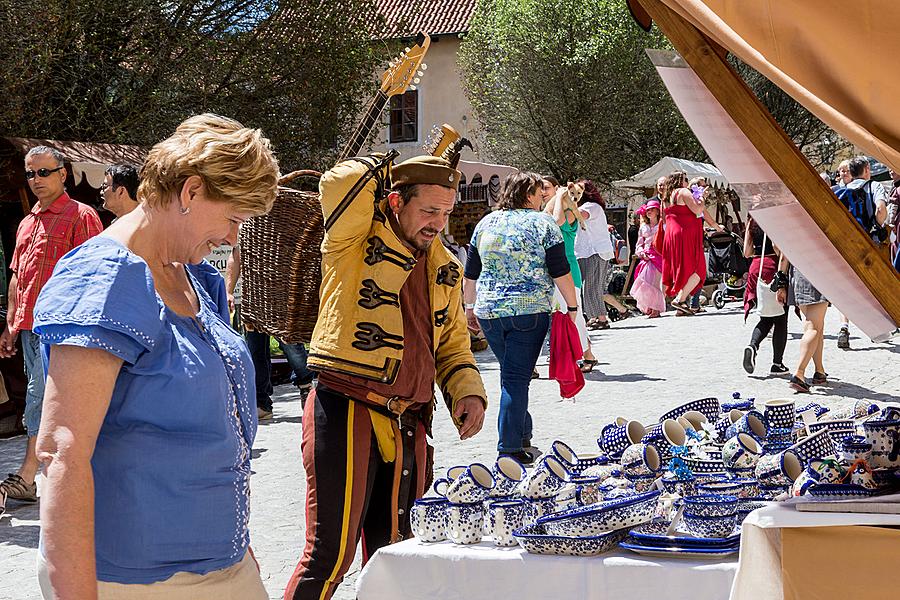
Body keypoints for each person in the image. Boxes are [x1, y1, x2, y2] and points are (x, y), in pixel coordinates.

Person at [32, 114, 279, 598]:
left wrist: (239, 548)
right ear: (190, 192)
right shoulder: (104, 282)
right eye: (233, 217)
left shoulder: (196, 279)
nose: (233, 237)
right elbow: (62, 453)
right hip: (133, 581)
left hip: (223, 568)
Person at [285, 155, 487, 600]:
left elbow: (451, 341)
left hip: (409, 420)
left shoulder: (445, 266)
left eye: (446, 212)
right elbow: (339, 181)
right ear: (395, 201)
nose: (438, 222)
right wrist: (383, 163)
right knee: (328, 556)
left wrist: (466, 391)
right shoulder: (352, 239)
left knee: (399, 556)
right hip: (346, 406)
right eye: (429, 210)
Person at [0, 146, 102, 504]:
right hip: (30, 327)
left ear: (64, 174)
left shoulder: (81, 215)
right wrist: (11, 324)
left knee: (41, 396)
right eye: (31, 173)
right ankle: (47, 474)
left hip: (63, 327)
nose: (36, 180)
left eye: (44, 172)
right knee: (40, 395)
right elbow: (17, 277)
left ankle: (29, 475)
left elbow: (95, 275)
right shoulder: (28, 221)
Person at [464, 171, 578, 462]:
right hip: (529, 311)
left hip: (489, 312)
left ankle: (523, 430)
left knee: (512, 374)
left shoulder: (486, 223)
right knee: (516, 379)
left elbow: (471, 272)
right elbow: (559, 268)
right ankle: (510, 447)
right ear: (528, 194)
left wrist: (468, 307)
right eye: (540, 194)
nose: (543, 199)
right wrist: (572, 306)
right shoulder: (543, 224)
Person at [225, 245, 316, 419]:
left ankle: (305, 385)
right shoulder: (247, 222)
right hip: (253, 298)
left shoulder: (281, 224)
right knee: (255, 351)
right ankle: (261, 402)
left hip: (282, 297)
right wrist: (228, 291)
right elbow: (236, 255)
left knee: (291, 346)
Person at [833, 156, 889, 349]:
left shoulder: (839, 190)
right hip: (868, 241)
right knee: (872, 284)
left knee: (847, 287)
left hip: (845, 244)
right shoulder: (873, 186)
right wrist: (878, 226)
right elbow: (881, 209)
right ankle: (878, 329)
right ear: (866, 169)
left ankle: (843, 326)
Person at [542, 181, 597, 374]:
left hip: (567, 271)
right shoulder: (550, 210)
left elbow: (557, 220)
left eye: (546, 188)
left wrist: (560, 195)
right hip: (555, 271)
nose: (542, 191)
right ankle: (587, 355)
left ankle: (581, 356)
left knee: (572, 316)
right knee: (568, 316)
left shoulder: (569, 212)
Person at [658, 171, 722, 315]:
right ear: (680, 180)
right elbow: (698, 209)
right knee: (698, 269)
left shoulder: (666, 196)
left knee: (683, 268)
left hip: (672, 234)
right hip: (685, 234)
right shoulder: (683, 192)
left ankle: (682, 305)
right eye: (685, 179)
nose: (687, 181)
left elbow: (666, 216)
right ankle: (680, 300)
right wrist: (701, 197)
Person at [741, 217, 789, 376]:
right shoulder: (773, 216)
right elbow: (777, 246)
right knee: (781, 318)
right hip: (773, 265)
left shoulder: (752, 220)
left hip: (756, 267)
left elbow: (746, 252)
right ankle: (777, 364)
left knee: (766, 317)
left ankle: (753, 345)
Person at [772, 257, 828, 393]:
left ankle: (819, 371)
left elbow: (783, 253)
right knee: (813, 327)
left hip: (798, 273)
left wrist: (780, 284)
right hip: (819, 271)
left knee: (816, 326)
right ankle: (799, 373)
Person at [573, 180, 618, 329]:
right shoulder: (589, 206)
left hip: (595, 251)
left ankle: (600, 318)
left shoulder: (592, 206)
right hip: (586, 252)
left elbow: (580, 215)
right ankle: (597, 317)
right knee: (590, 286)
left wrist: (565, 201)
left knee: (591, 286)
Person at [630, 200, 665, 317]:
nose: (649, 212)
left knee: (655, 283)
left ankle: (656, 308)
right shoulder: (643, 227)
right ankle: (649, 305)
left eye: (652, 209)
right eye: (647, 210)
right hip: (646, 256)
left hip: (659, 256)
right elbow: (639, 243)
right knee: (644, 282)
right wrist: (640, 252)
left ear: (657, 211)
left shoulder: (663, 225)